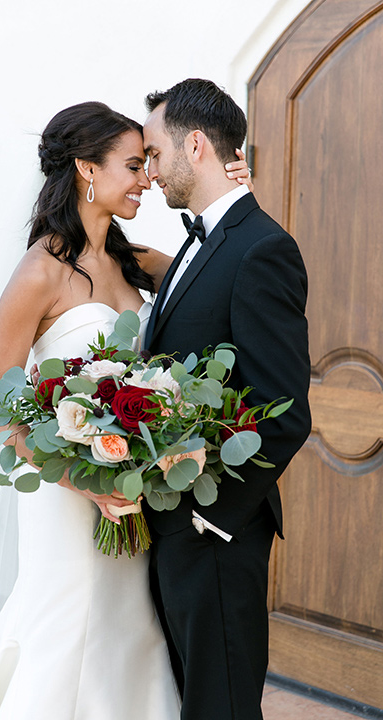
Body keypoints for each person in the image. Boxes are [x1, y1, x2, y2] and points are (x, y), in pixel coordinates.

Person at [0, 100, 251, 719]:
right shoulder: (39, 273)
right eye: (133, 165)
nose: (146, 178)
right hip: (66, 492)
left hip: (127, 483)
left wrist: (234, 195)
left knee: (127, 629)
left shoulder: (134, 260)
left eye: (148, 163)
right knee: (64, 626)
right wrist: (79, 478)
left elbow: (220, 269)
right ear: (87, 171)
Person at [142, 78, 312, 720]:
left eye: (155, 153)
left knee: (223, 705)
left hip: (215, 530)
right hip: (171, 526)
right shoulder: (197, 238)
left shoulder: (261, 248)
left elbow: (285, 411)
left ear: (194, 146)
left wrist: (209, 515)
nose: (151, 170)